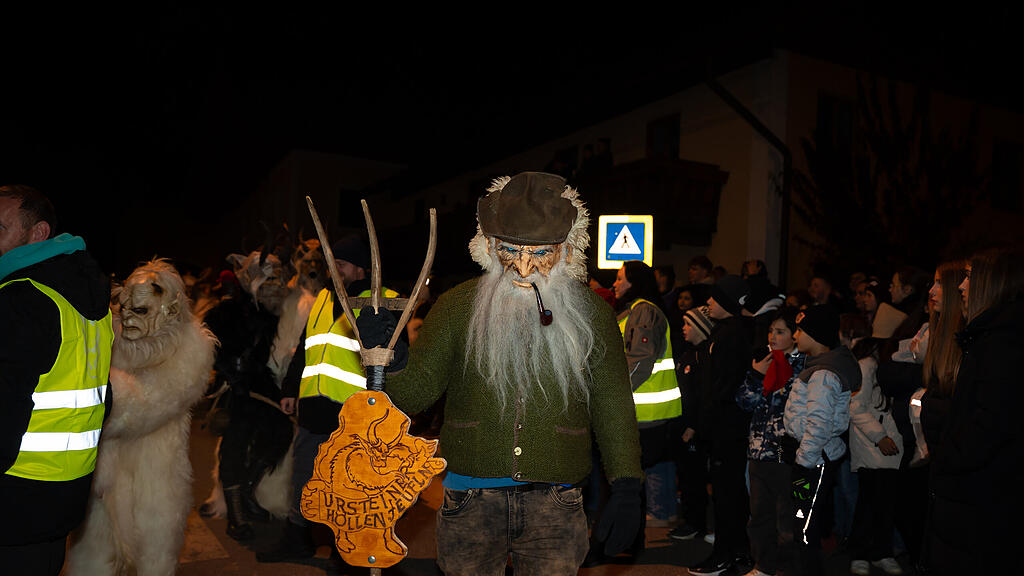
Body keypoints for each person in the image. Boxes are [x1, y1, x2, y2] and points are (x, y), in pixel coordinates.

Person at [359, 172, 642, 575]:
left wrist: (627, 484)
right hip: (469, 499)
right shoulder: (457, 307)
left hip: (556, 502)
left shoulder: (592, 313)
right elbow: (414, 395)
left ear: (566, 250)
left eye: (540, 252)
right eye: (510, 249)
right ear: (489, 246)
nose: (523, 267)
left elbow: (613, 404)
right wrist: (392, 358)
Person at [257, 234, 399, 565]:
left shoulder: (384, 301)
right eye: (332, 262)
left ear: (361, 268)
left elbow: (396, 363)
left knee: (347, 488)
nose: (334, 268)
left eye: (342, 263)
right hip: (313, 409)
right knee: (304, 480)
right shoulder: (323, 297)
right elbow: (306, 348)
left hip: (354, 417)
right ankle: (297, 539)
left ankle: (343, 553)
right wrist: (290, 389)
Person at [0, 185, 113, 575]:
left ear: (39, 233)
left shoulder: (20, 298)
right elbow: (104, 397)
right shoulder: (86, 296)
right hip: (64, 493)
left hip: (13, 499)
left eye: (0, 229)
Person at [920, 247, 1024, 575]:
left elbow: (987, 427)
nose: (961, 286)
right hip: (971, 498)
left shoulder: (1002, 346)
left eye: (968, 277)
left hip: (979, 500)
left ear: (993, 283)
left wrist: (946, 443)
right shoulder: (987, 339)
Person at [782, 305, 860, 576]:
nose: (795, 335)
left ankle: (807, 570)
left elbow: (819, 423)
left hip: (814, 460)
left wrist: (803, 461)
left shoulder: (824, 374)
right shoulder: (818, 367)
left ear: (816, 335)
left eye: (800, 330)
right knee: (802, 517)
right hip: (813, 456)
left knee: (804, 523)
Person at [690, 274, 754, 576]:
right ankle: (735, 552)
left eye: (714, 298)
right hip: (725, 426)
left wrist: (708, 422)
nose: (708, 302)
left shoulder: (732, 335)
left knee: (728, 494)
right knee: (729, 492)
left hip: (727, 428)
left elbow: (722, 386)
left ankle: (727, 554)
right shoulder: (727, 331)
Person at [736, 307, 806, 576]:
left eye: (780, 332)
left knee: (787, 519)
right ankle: (762, 566)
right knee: (759, 516)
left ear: (794, 335)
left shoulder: (803, 366)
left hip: (787, 455)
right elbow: (744, 402)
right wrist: (756, 375)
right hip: (758, 452)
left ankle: (787, 568)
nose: (773, 337)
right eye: (770, 331)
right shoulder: (764, 362)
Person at [613, 261, 682, 528]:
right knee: (651, 469)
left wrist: (614, 395)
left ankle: (640, 526)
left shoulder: (643, 311)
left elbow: (639, 361)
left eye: (620, 279)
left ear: (634, 283)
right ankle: (655, 516)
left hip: (645, 412)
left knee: (635, 477)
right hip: (644, 410)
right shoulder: (636, 310)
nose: (615, 284)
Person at [842, 314, 904, 576]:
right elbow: (855, 407)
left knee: (884, 504)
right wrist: (880, 436)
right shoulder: (867, 365)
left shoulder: (884, 364)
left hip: (885, 445)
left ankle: (881, 552)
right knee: (869, 503)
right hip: (872, 445)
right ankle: (861, 553)